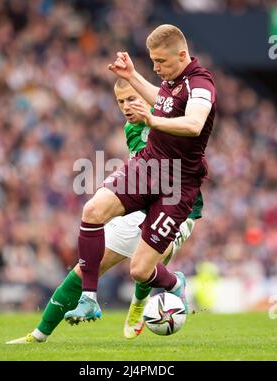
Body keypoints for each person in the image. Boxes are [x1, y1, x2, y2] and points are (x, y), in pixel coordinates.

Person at [6, 78, 203, 344]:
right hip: (144, 199)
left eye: (132, 99)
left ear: (151, 96)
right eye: (121, 101)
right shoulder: (132, 126)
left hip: (177, 204)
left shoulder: (172, 117)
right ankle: (38, 335)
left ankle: (140, 301)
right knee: (86, 268)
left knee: (146, 263)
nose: (125, 106)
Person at [63, 24, 216, 325]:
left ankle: (174, 283)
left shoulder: (200, 84)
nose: (156, 68)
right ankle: (89, 299)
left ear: (182, 54)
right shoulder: (171, 82)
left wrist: (152, 119)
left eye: (161, 61)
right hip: (148, 164)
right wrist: (132, 75)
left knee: (140, 270)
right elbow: (159, 100)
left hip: (177, 180)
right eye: (153, 61)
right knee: (93, 210)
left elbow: (194, 124)